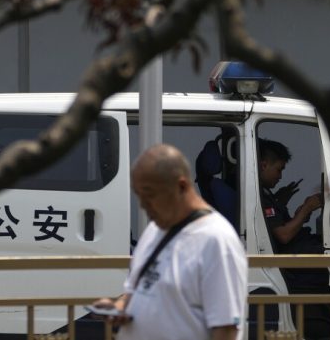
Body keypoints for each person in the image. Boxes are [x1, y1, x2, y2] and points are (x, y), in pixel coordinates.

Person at [93, 144, 247, 340]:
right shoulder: (153, 231)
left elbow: (225, 330)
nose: (142, 205)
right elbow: (137, 291)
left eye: (149, 194)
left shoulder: (216, 241)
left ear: (181, 187)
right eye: (138, 195)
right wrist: (118, 307)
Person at [257, 138, 330, 339]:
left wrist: (285, 203)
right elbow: (283, 235)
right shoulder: (261, 198)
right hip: (293, 262)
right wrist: (307, 208)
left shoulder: (267, 196)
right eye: (279, 169)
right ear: (264, 165)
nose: (281, 176)